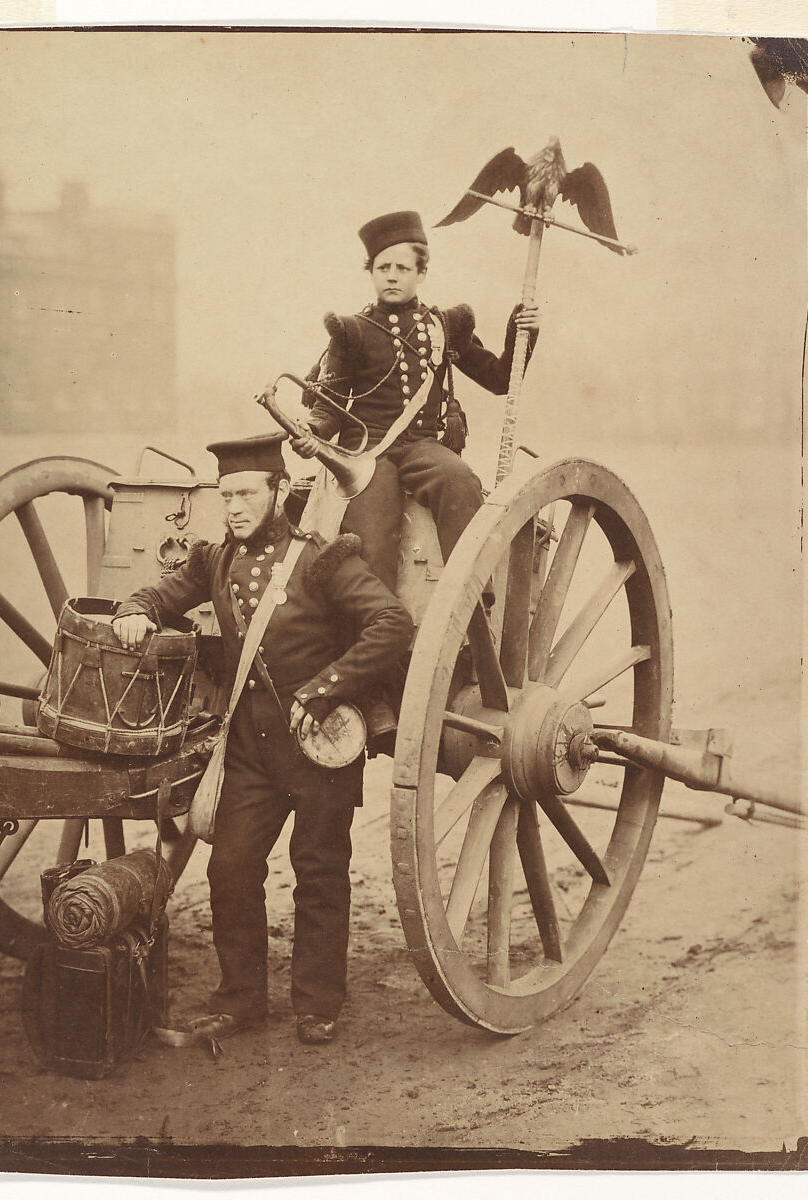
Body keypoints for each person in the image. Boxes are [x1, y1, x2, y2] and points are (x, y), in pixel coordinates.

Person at [112, 433, 414, 1046]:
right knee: (229, 868)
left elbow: (392, 622)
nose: (235, 508)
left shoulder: (322, 560)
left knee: (320, 871)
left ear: (279, 492)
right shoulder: (214, 560)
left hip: (319, 746)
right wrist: (134, 610)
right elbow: (160, 595)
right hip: (250, 750)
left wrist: (328, 687)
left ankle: (317, 1004)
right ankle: (242, 999)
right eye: (226, 496)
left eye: (247, 493)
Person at [291, 209, 540, 594]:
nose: (392, 275)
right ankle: (379, 625)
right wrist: (311, 433)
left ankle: (470, 592)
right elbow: (330, 408)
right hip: (367, 453)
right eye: (382, 267)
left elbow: (499, 379)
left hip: (423, 446)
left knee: (460, 480)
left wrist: (520, 333)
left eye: (403, 268)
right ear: (371, 272)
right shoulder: (350, 331)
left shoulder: (444, 326)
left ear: (421, 273)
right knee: (371, 535)